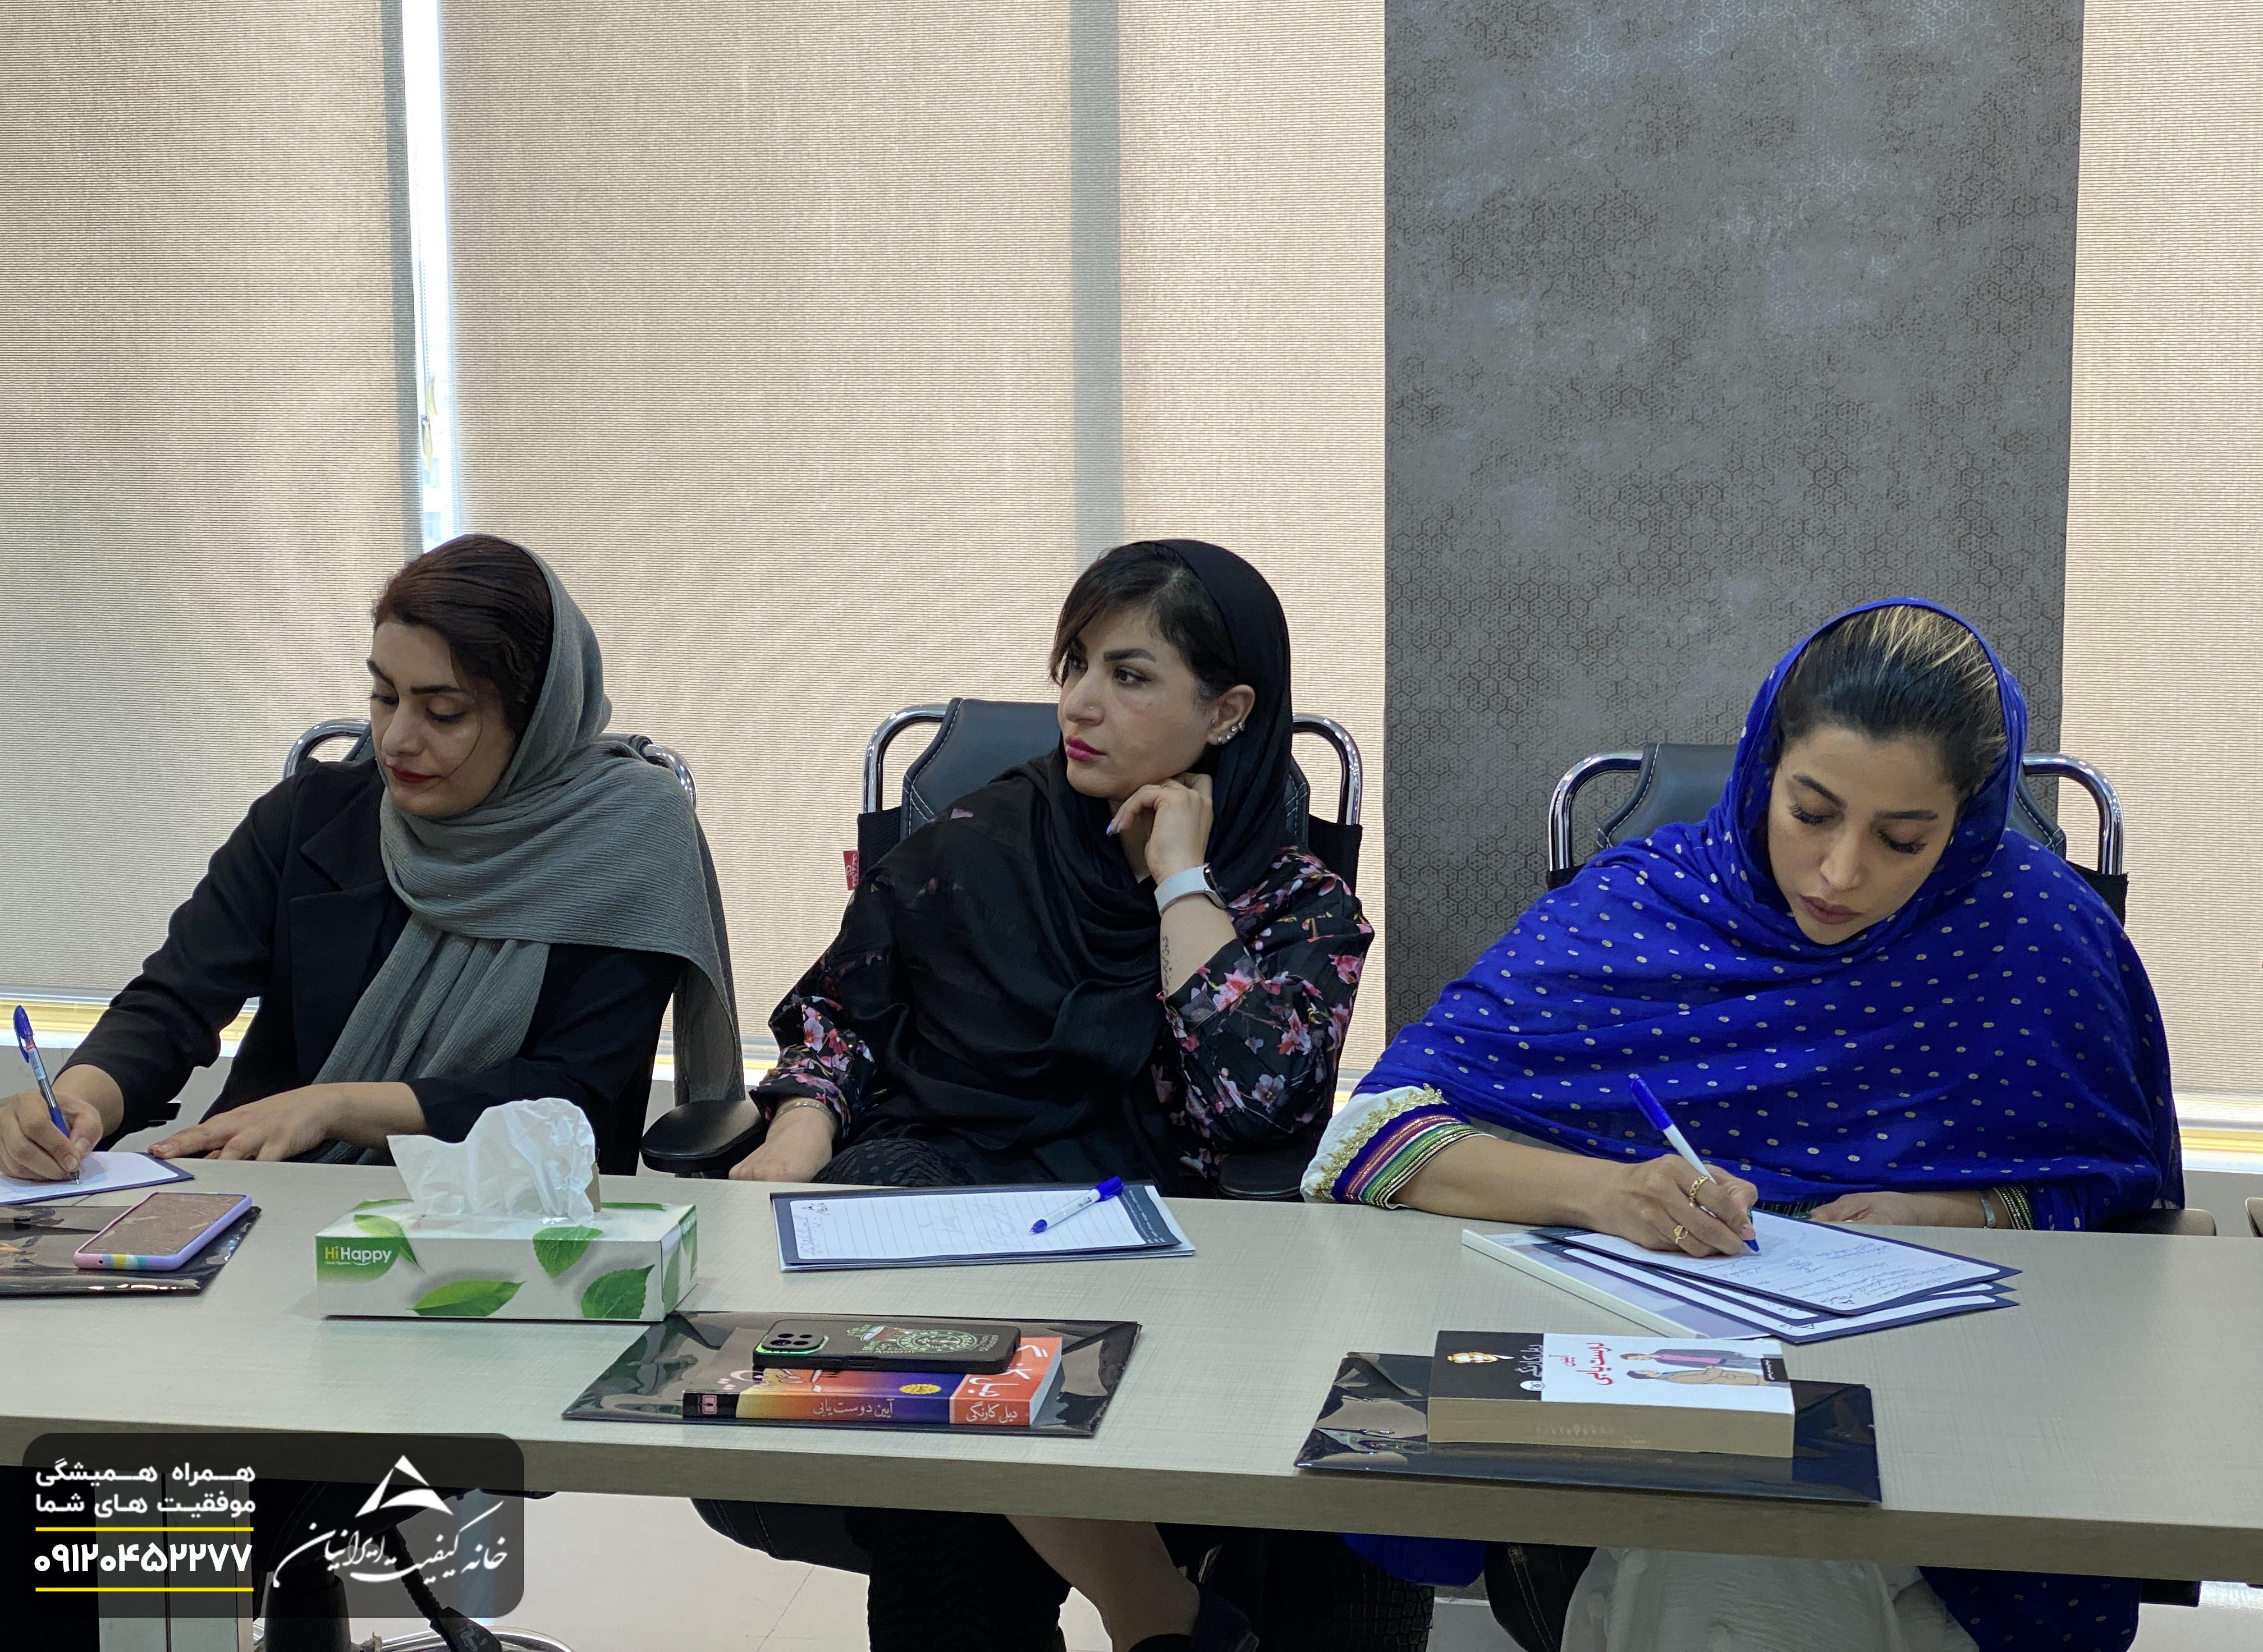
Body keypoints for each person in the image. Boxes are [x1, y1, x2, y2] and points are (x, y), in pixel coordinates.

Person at [1303, 600, 2179, 1652]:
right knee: (1750, 1552)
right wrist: (1606, 1192)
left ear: (1970, 821)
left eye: (1903, 839)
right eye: (1811, 814)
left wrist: (1973, 1210)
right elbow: (1373, 1142)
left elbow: (2118, 1199)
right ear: (1764, 771)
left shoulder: (2036, 934)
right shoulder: (1641, 908)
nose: (1841, 873)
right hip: (1662, 1400)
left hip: (1959, 1409)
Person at [720, 540, 1404, 1652]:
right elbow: (842, 1017)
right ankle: (1159, 1612)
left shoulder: (1299, 905)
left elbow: (1253, 1107)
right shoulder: (975, 842)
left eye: (1129, 676)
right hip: (947, 1196)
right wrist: (797, 1133)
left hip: (1168, 1238)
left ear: (1228, 713)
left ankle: (1151, 1609)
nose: (1080, 703)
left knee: (946, 1442)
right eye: (1074, 665)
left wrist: (1181, 882)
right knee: (889, 1221)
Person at [0, 534, 739, 1183]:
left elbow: (572, 1092)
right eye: (385, 697)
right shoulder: (313, 817)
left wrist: (335, 1108)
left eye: (443, 712)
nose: (395, 740)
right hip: (274, 1204)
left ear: (537, 718)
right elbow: (173, 1004)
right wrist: (81, 1100)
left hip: (516, 1220)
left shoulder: (623, 843)